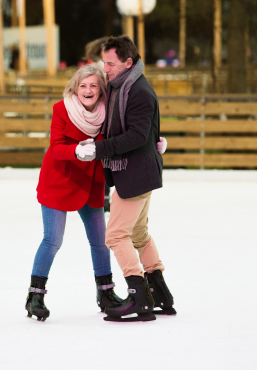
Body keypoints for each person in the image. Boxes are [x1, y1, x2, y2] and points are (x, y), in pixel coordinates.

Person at [78, 35, 172, 322]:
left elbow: (136, 135)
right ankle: (160, 293)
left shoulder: (138, 91)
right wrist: (156, 140)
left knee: (117, 235)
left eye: (110, 63)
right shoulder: (123, 86)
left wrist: (98, 149)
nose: (105, 69)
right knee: (139, 234)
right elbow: (146, 130)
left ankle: (139, 297)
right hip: (138, 171)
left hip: (135, 173)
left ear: (128, 62)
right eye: (103, 62)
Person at [25, 66, 125, 322]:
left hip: (90, 183)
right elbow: (55, 147)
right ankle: (35, 296)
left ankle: (106, 293)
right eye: (83, 86)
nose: (88, 90)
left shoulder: (107, 113)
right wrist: (76, 152)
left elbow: (125, 137)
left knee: (100, 241)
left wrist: (153, 144)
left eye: (93, 86)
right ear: (75, 88)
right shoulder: (62, 109)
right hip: (59, 181)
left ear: (101, 90)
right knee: (53, 240)